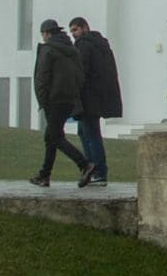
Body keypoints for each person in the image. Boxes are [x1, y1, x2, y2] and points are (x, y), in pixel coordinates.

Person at [29, 18, 89, 187]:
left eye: (43, 34)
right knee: (51, 137)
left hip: (53, 101)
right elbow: (80, 76)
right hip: (69, 100)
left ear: (48, 33)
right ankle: (44, 175)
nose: (43, 37)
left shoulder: (48, 50)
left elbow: (42, 78)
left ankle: (84, 165)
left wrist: (42, 101)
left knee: (54, 137)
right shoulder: (72, 50)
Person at [69, 16, 124, 188]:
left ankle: (97, 171)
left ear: (85, 28)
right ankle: (93, 170)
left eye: (75, 30)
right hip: (99, 97)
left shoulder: (84, 45)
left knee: (91, 134)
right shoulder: (101, 44)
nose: (73, 34)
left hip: (88, 99)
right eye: (71, 31)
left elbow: (81, 70)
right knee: (85, 132)